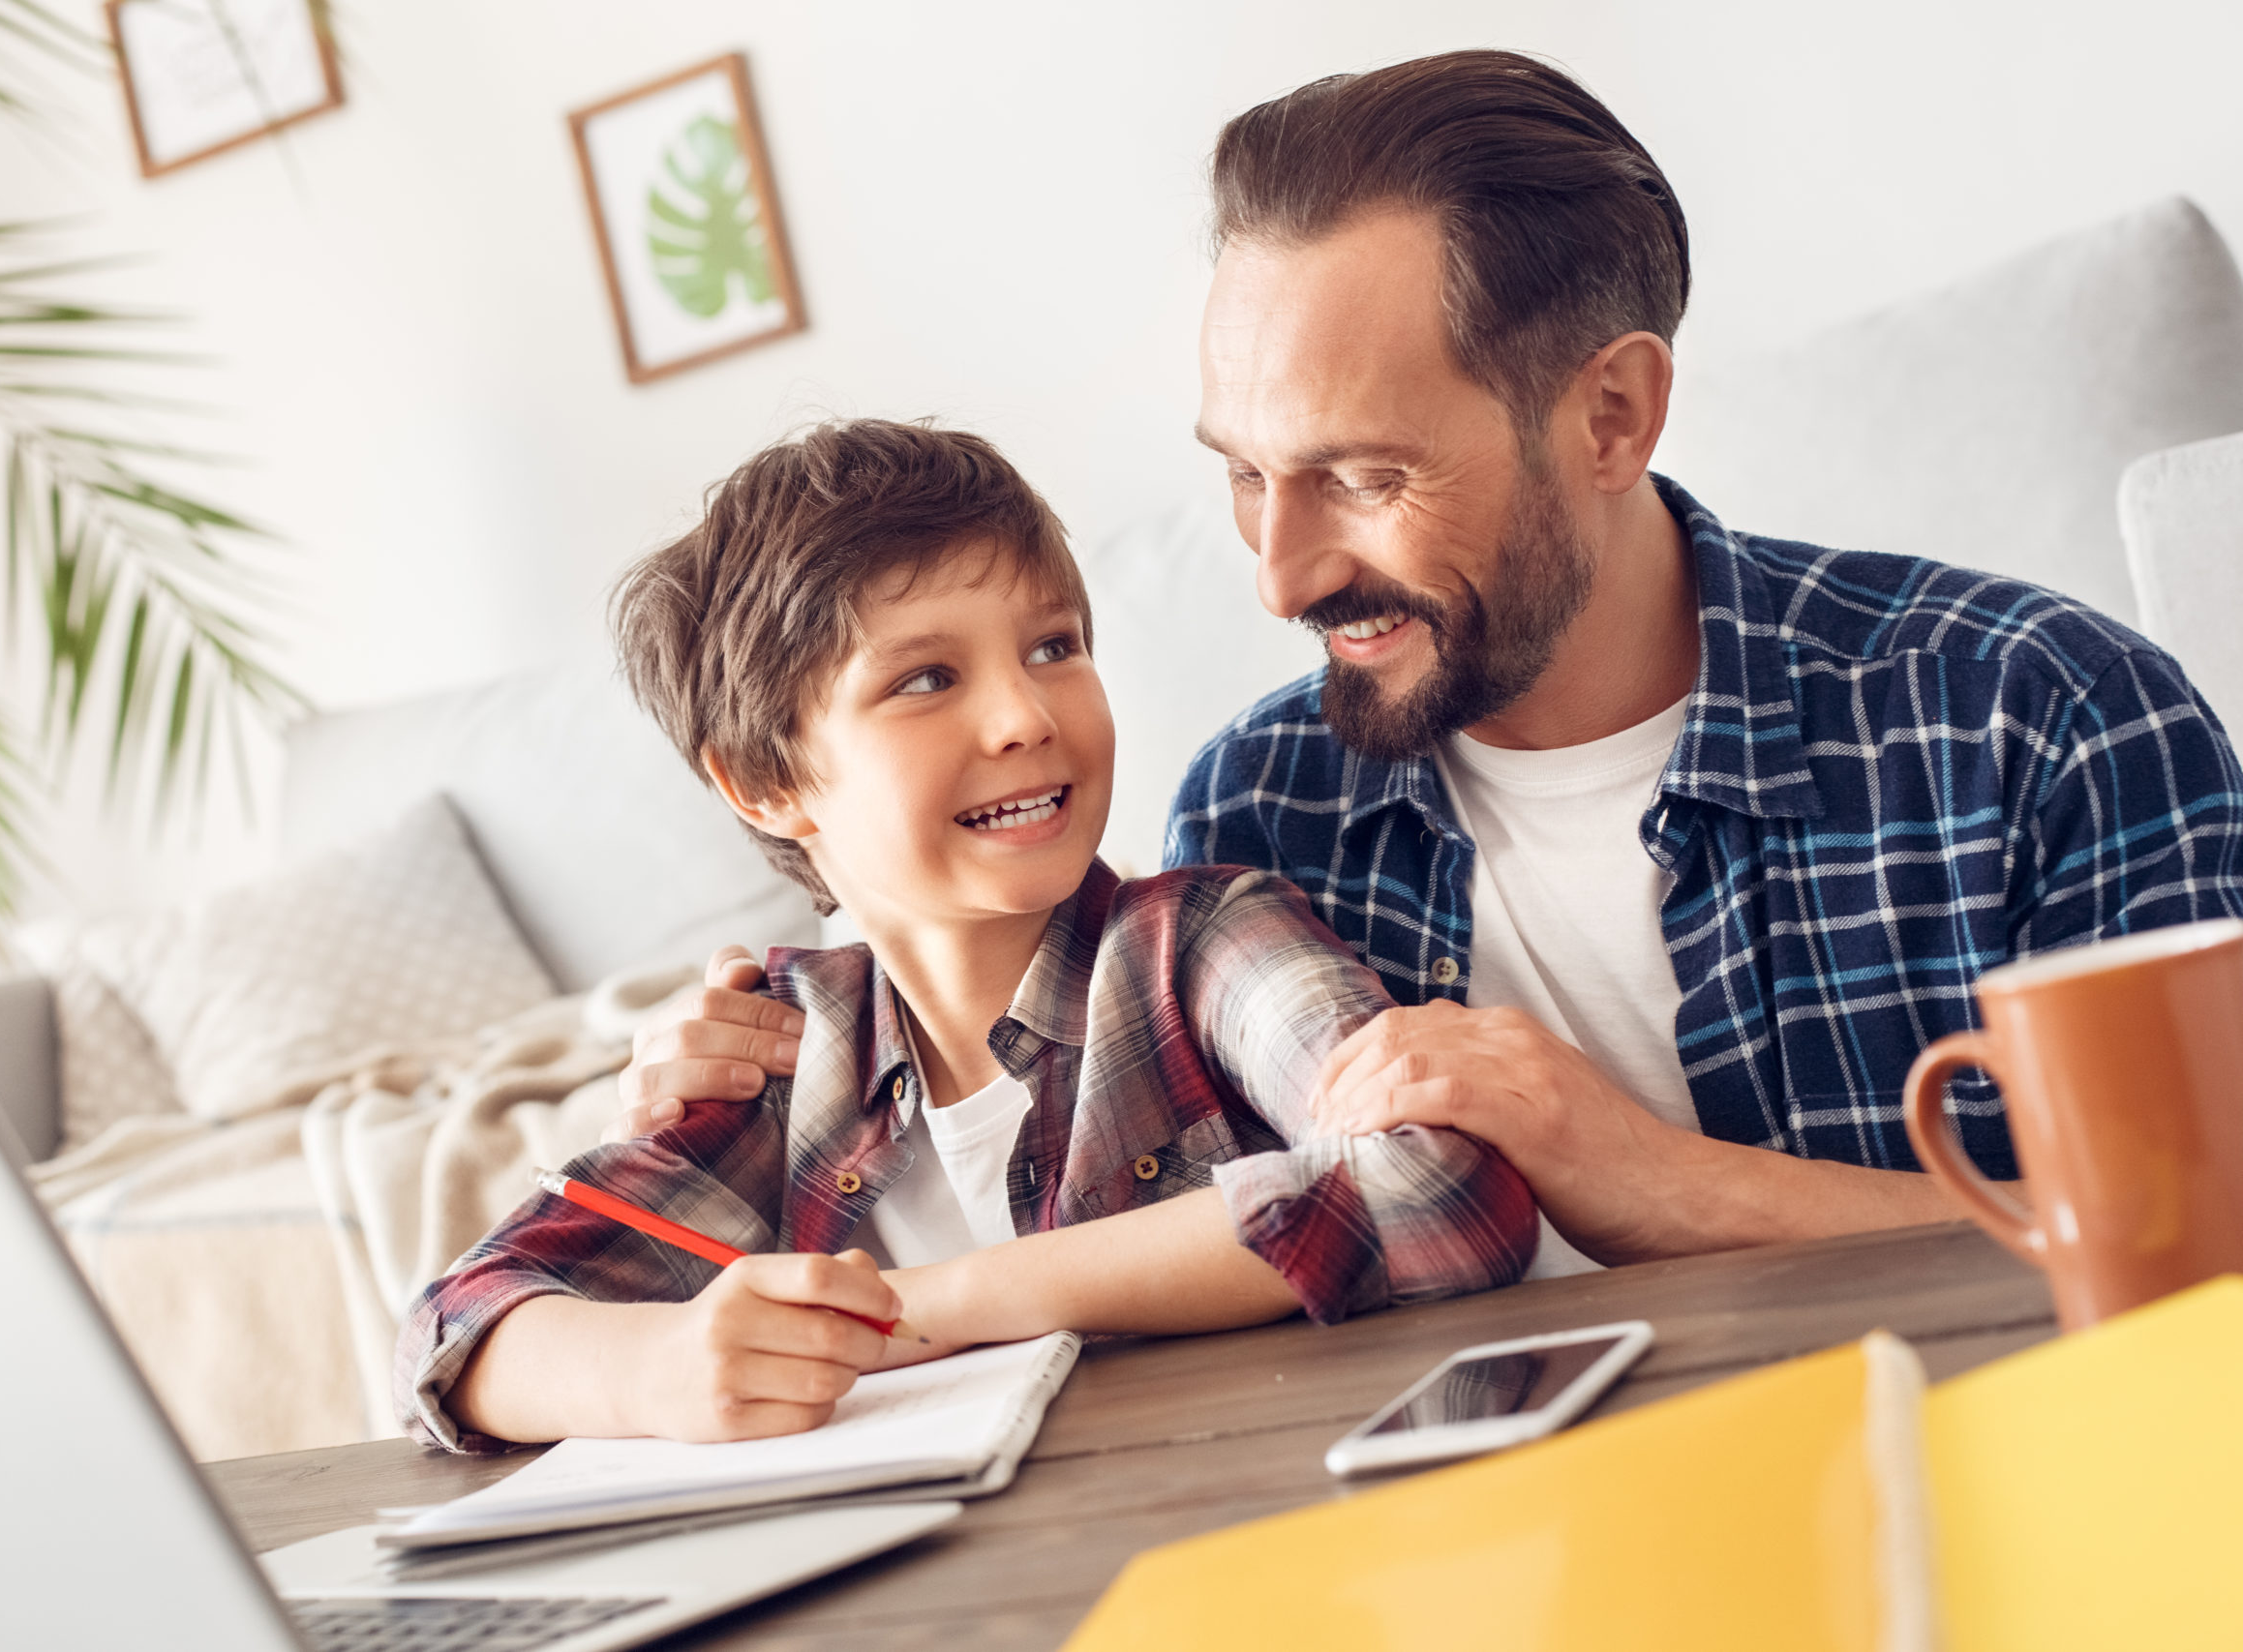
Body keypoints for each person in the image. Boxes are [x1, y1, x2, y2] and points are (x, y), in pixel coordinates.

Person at [607, 51, 2243, 1279]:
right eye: (1245, 472)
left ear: (1611, 415)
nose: (1280, 570)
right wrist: (733, 1098)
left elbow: (2213, 1261)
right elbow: (1038, 1108)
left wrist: (1658, 1179)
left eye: (1363, 478)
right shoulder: (1265, 804)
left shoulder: (2039, 719)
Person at [396, 421, 1535, 1451]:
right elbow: (447, 1338)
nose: (1025, 716)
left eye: (1052, 647)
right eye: (926, 678)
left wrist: (936, 1304)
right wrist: (658, 1369)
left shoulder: (1204, 944)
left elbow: (1449, 1189)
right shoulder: (779, 1053)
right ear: (764, 781)